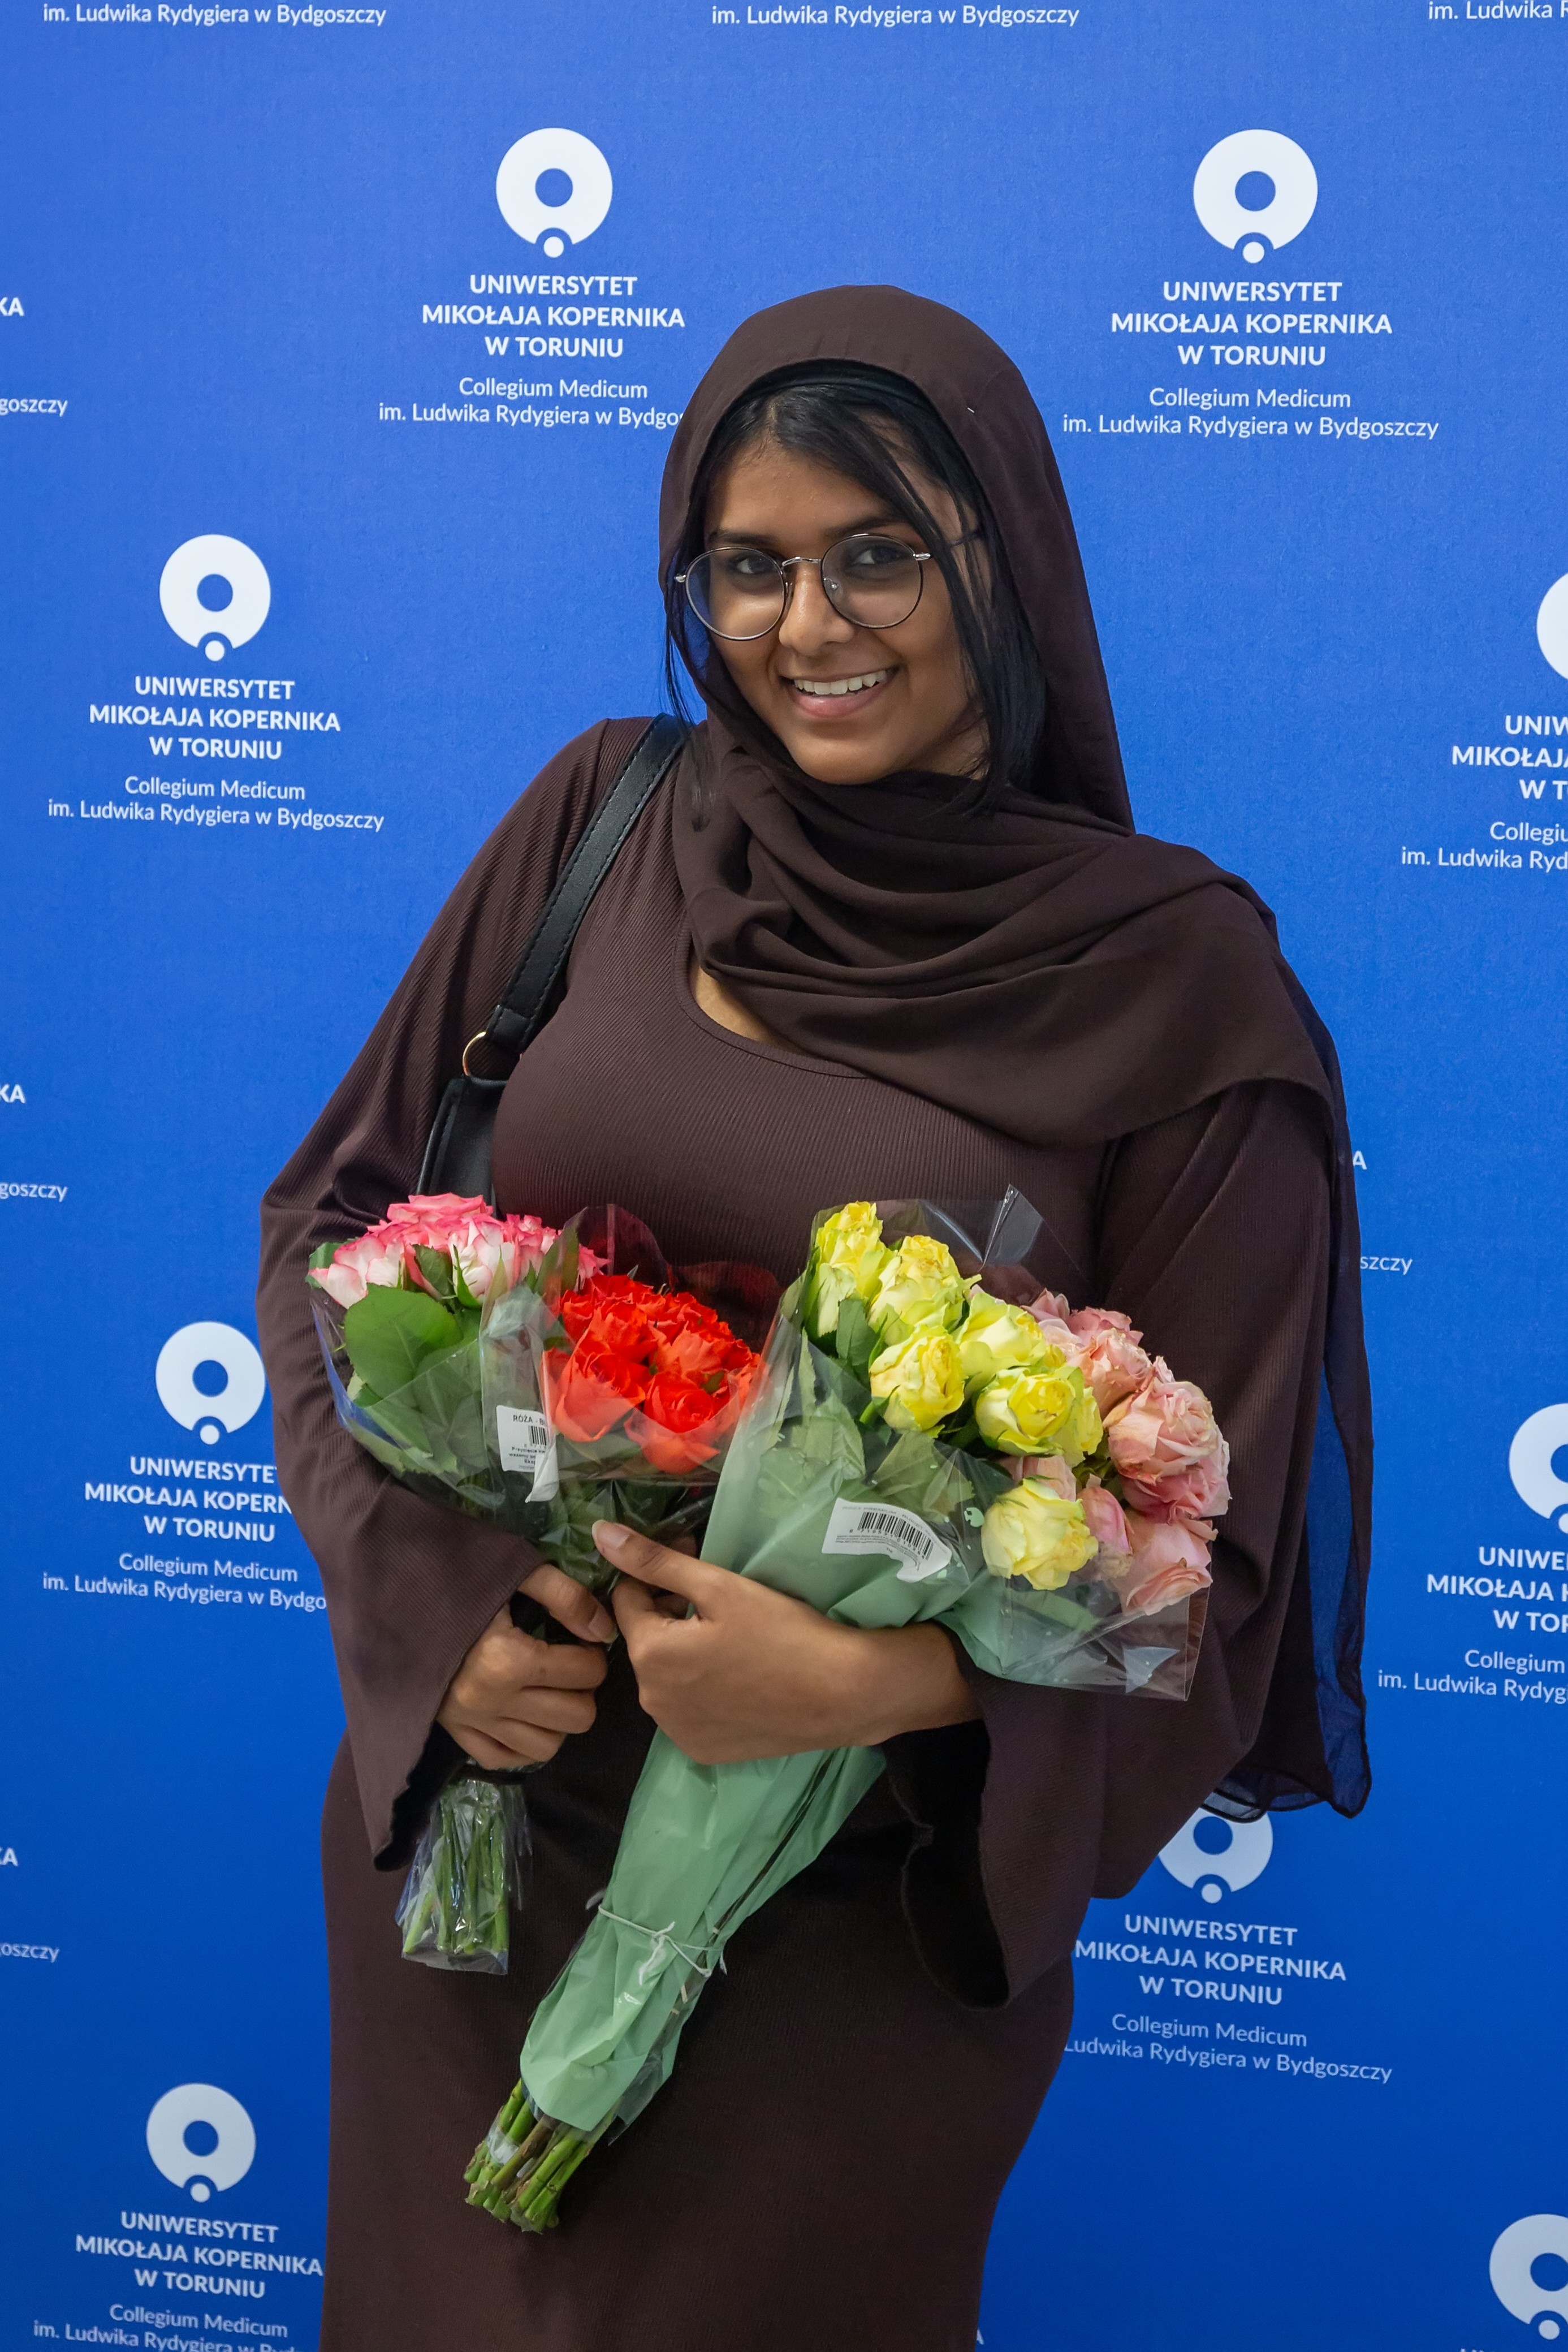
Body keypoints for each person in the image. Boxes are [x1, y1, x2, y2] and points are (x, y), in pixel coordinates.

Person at [257, 284, 1371, 2352]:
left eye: (879, 554)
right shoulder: (608, 818)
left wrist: (876, 1686)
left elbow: (1219, 1594)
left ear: (1002, 563)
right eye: (747, 567)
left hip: (845, 1920)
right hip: (489, 1843)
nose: (806, 625)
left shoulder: (1180, 991)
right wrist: (441, 1612)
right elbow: (332, 1219)